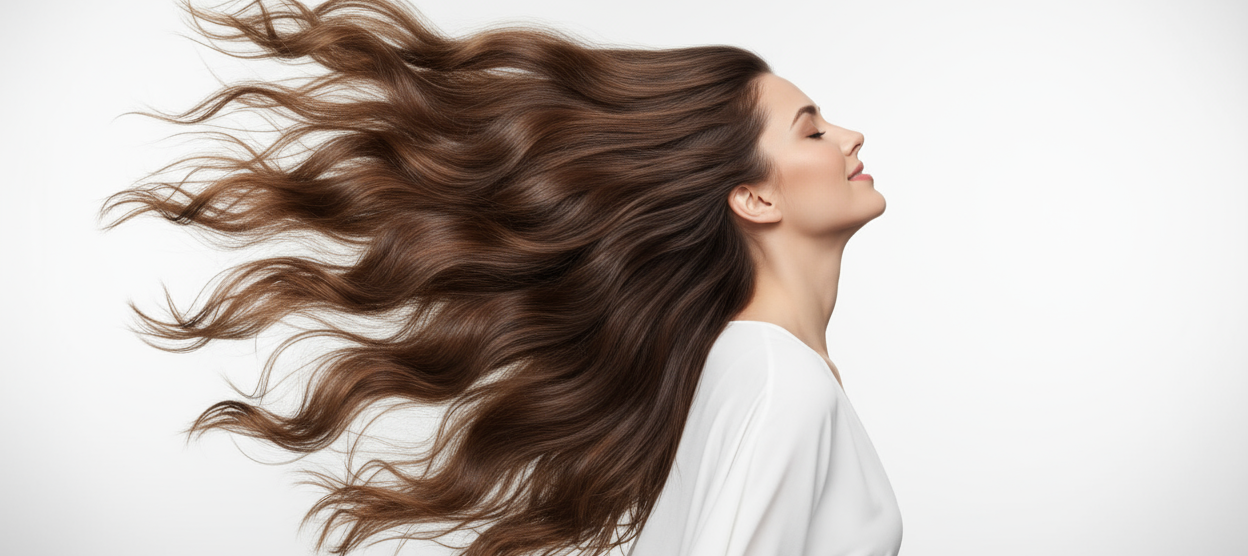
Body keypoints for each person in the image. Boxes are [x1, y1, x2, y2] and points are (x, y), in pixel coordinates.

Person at [103, 0, 902, 554]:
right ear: (754, 195)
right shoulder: (778, 382)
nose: (850, 135)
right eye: (813, 129)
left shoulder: (748, 365)